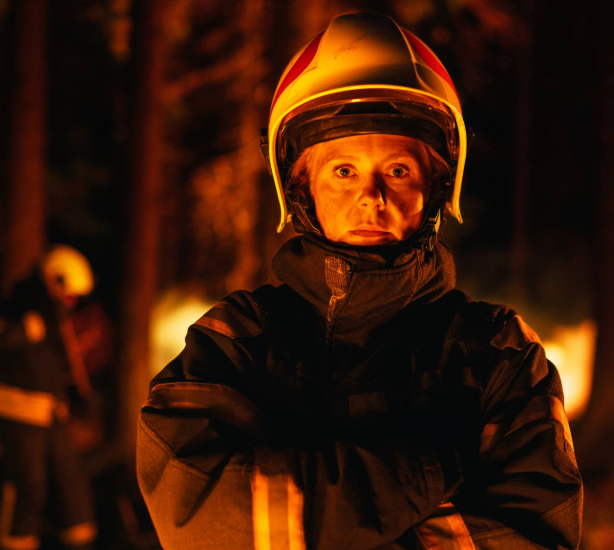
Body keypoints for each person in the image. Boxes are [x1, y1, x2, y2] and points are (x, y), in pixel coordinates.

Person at [137, 13, 582, 550]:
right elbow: (198, 511)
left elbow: (537, 533)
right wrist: (428, 468)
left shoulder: (498, 353)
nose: (371, 197)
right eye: (343, 171)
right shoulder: (234, 340)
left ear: (436, 189)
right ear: (300, 189)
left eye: (397, 170)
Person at [0, 245, 98, 550]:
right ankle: (14, 542)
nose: (71, 303)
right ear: (54, 279)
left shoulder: (53, 314)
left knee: (70, 483)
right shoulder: (21, 306)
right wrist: (19, 330)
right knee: (28, 486)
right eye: (69, 294)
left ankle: (80, 539)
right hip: (20, 414)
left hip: (51, 413)